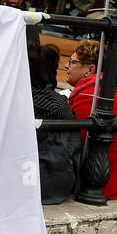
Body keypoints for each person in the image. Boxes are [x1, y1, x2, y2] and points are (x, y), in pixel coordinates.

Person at [66, 40, 117, 202]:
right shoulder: (102, 92)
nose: (67, 66)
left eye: (72, 62)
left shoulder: (90, 97)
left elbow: (73, 145)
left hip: (98, 186)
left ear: (90, 70)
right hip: (113, 182)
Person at [30, 43, 80, 204]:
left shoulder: (13, 99)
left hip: (18, 179)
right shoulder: (59, 105)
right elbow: (72, 147)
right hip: (51, 183)